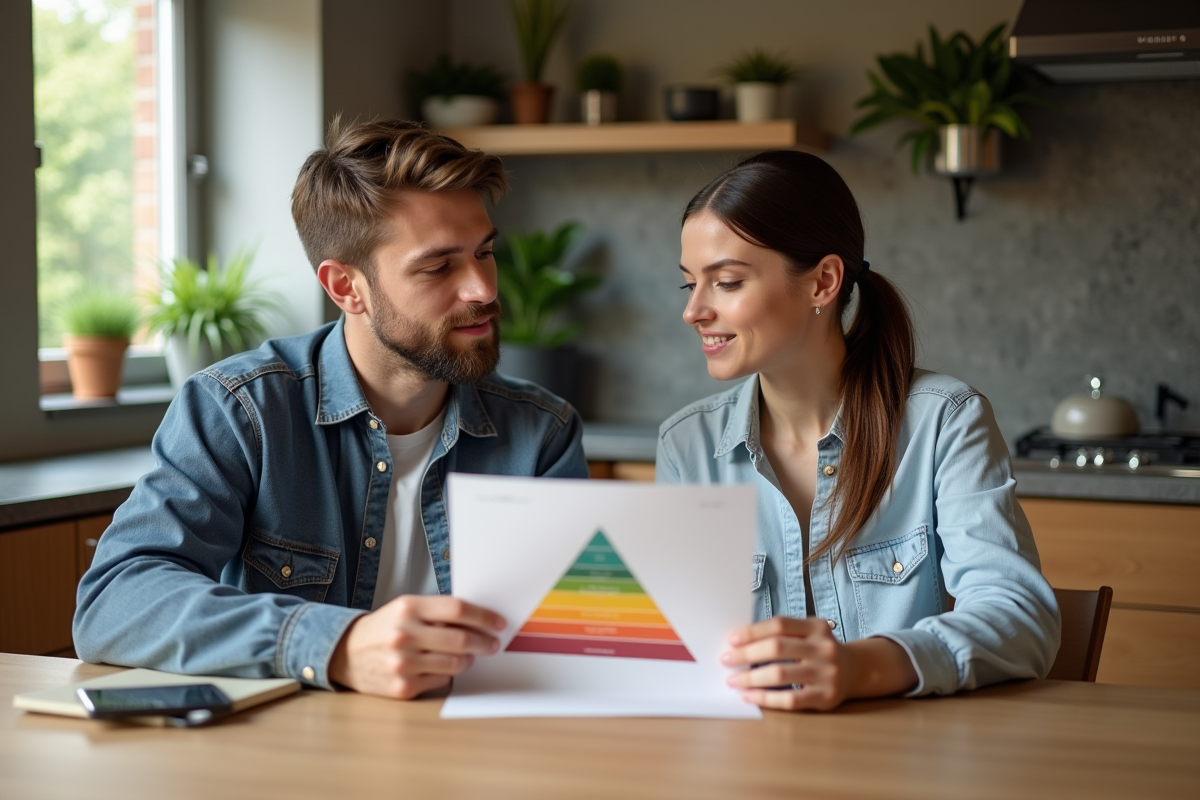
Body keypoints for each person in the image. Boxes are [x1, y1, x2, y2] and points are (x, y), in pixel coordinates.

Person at [74, 119, 588, 699]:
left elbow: (577, 636)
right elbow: (114, 602)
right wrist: (334, 645)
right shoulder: (244, 410)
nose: (484, 289)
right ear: (346, 288)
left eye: (485, 253)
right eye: (439, 266)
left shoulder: (542, 431)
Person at [657, 150, 1060, 712]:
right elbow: (673, 650)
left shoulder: (945, 421)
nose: (694, 310)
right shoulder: (686, 448)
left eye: (725, 282)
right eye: (688, 286)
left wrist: (860, 666)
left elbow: (1019, 619)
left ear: (823, 281)